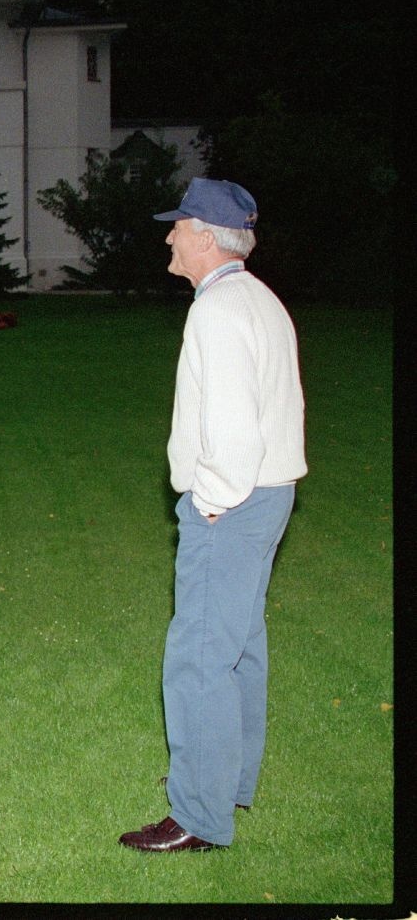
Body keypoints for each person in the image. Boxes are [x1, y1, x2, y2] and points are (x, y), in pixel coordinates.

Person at [118, 178, 306, 853]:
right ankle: (225, 781)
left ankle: (197, 814)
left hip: (235, 500)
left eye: (177, 226)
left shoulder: (217, 311)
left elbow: (230, 422)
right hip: (270, 492)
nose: (169, 236)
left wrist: (212, 498)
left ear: (202, 233)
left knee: (198, 655)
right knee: (237, 649)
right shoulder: (256, 299)